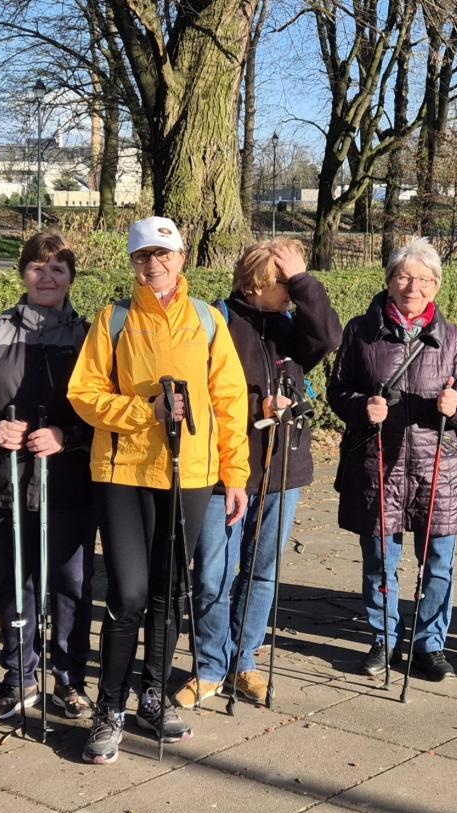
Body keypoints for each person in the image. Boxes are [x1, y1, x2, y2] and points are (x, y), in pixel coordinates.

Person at [66, 216, 249, 764]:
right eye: (144, 256)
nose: (154, 265)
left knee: (171, 592)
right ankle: (109, 708)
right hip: (123, 473)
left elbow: (229, 402)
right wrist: (146, 411)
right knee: (129, 595)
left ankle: (152, 697)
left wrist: (235, 475)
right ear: (133, 262)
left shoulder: (208, 321)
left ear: (182, 258)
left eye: (163, 255)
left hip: (189, 473)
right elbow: (84, 393)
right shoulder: (115, 319)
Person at [176, 238, 342, 708]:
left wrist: (304, 280)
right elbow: (201, 396)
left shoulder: (291, 326)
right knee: (213, 574)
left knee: (262, 572)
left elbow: (329, 337)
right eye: (285, 282)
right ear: (259, 283)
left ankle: (244, 661)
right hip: (224, 469)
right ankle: (211, 666)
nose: (292, 293)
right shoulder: (217, 322)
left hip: (283, 467)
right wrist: (256, 409)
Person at [0, 232, 95, 722]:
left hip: (69, 484)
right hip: (4, 482)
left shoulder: (90, 336)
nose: (46, 277)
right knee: (13, 583)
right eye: (37, 267)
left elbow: (105, 407)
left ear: (71, 277)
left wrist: (68, 435)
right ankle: (19, 677)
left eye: (57, 269)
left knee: (71, 584)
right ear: (22, 273)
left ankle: (70, 681)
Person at [328, 237, 457, 682]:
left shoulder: (450, 336)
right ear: (389, 280)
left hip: (438, 467)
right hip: (380, 463)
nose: (414, 287)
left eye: (425, 279)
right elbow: (338, 390)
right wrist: (361, 407)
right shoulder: (361, 331)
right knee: (380, 561)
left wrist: (456, 406)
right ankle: (384, 639)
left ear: (437, 286)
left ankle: (431, 645)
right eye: (405, 277)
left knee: (438, 563)